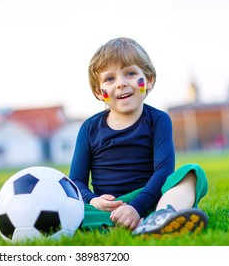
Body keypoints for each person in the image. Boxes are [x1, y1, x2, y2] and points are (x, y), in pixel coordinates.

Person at [69, 37, 209, 237]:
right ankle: (121, 222)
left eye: (130, 73)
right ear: (98, 92)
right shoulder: (89, 127)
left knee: (192, 173)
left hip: (150, 199)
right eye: (110, 79)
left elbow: (164, 170)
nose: (121, 84)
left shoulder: (158, 119)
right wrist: (93, 200)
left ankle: (161, 217)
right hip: (109, 207)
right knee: (65, 206)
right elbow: (76, 180)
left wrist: (137, 207)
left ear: (149, 80)